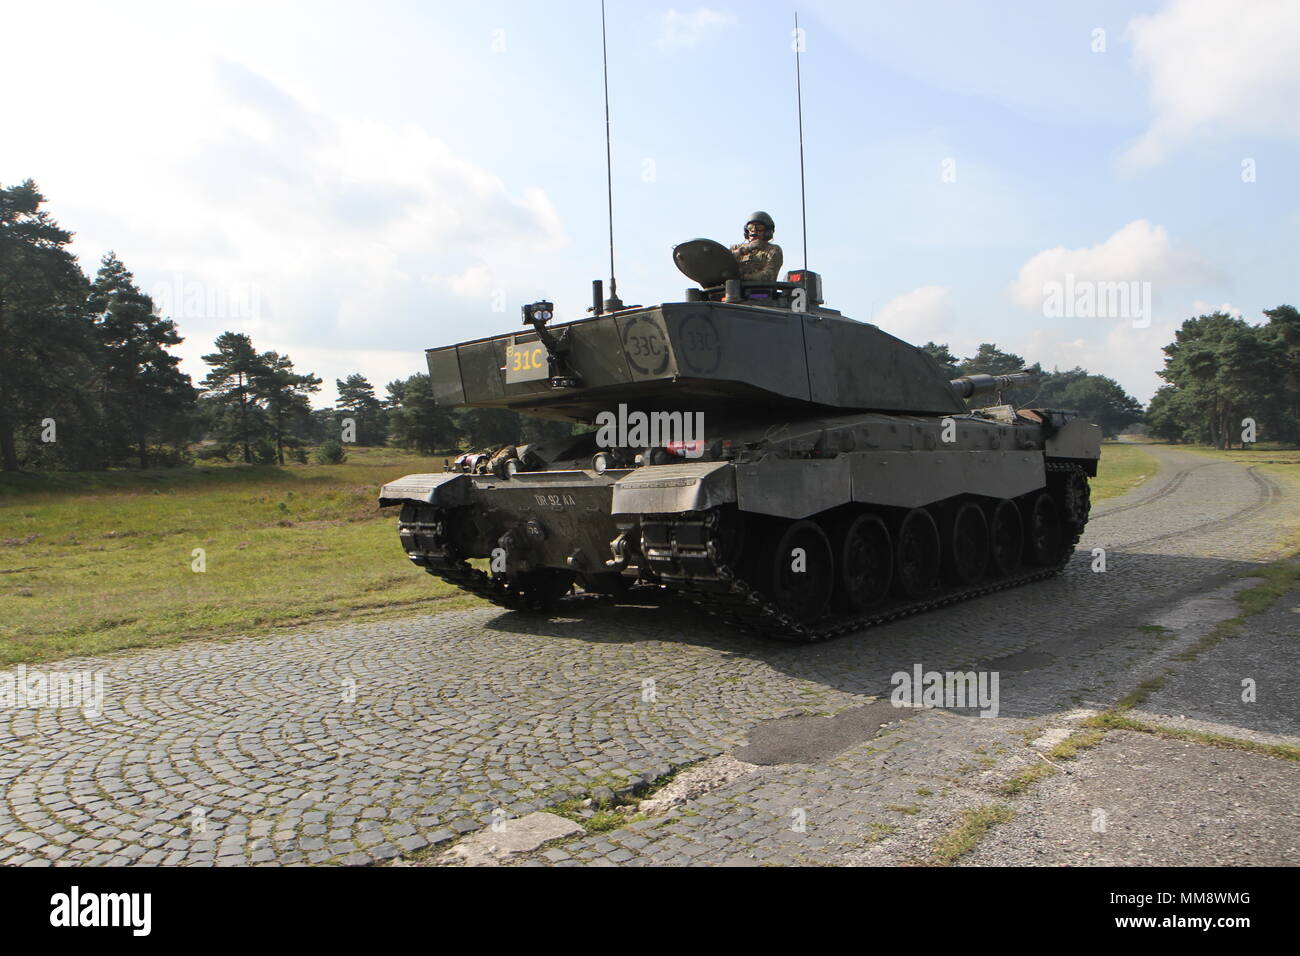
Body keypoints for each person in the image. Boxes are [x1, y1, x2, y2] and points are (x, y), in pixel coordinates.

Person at [729, 211, 783, 281]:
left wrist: (743, 277)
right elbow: (722, 261)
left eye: (759, 227)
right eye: (750, 227)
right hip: (733, 289)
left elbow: (768, 276)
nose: (754, 230)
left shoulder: (773, 250)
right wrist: (742, 251)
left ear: (767, 231)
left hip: (760, 290)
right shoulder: (736, 248)